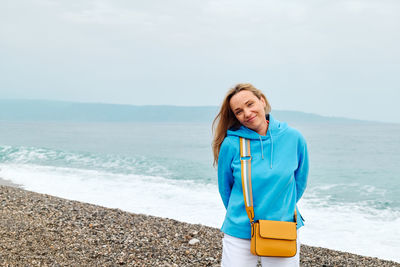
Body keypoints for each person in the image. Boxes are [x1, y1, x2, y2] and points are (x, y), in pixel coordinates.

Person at [212, 83, 309, 267]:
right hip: (239, 230)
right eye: (239, 111)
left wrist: (280, 209)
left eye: (250, 104)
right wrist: (242, 214)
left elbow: (300, 182)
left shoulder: (294, 138)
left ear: (262, 101)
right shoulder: (231, 145)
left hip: (281, 228)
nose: (247, 113)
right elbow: (226, 188)